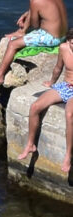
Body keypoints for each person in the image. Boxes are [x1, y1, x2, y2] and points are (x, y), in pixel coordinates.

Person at [22, 34, 73, 175]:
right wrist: (51, 82)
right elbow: (58, 67)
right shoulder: (63, 48)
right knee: (35, 107)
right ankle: (30, 144)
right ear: (68, 41)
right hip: (65, 86)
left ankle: (68, 156)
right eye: (72, 43)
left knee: (69, 114)